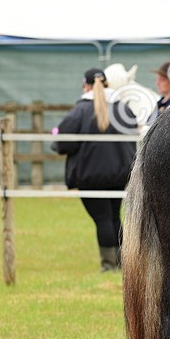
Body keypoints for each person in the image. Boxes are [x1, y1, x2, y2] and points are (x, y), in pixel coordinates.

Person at [52, 68, 138, 272]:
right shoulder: (123, 109)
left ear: (87, 86)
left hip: (91, 176)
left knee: (103, 218)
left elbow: (63, 143)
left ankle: (109, 264)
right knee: (114, 216)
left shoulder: (80, 110)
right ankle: (121, 262)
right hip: (120, 174)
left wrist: (55, 134)